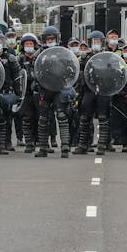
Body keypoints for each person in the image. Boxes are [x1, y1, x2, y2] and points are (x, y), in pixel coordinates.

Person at [33, 26, 73, 158]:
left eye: (52, 38)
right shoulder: (39, 54)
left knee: (62, 116)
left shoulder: (63, 53)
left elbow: (70, 69)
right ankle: (43, 147)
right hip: (45, 89)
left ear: (57, 39)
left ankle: (65, 147)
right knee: (43, 119)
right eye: (48, 39)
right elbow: (34, 71)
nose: (50, 41)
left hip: (59, 88)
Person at [74, 30, 112, 155]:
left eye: (98, 41)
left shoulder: (108, 56)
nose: (96, 43)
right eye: (94, 41)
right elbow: (80, 75)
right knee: (84, 118)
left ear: (102, 43)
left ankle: (102, 145)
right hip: (88, 90)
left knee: (103, 118)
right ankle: (83, 145)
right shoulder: (85, 58)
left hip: (103, 91)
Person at [0, 32, 22, 155]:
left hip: (6, 93)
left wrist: (19, 95)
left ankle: (5, 144)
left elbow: (17, 78)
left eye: (0, 42)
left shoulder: (11, 58)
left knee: (6, 119)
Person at [111, 42, 127, 152]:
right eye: (125, 51)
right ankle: (126, 143)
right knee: (124, 121)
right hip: (122, 97)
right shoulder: (118, 64)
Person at [18, 33, 40, 153]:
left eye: (31, 44)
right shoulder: (19, 59)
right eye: (27, 44)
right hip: (25, 93)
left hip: (38, 92)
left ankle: (41, 142)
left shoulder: (39, 58)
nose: (29, 46)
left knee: (40, 118)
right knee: (27, 118)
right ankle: (29, 143)